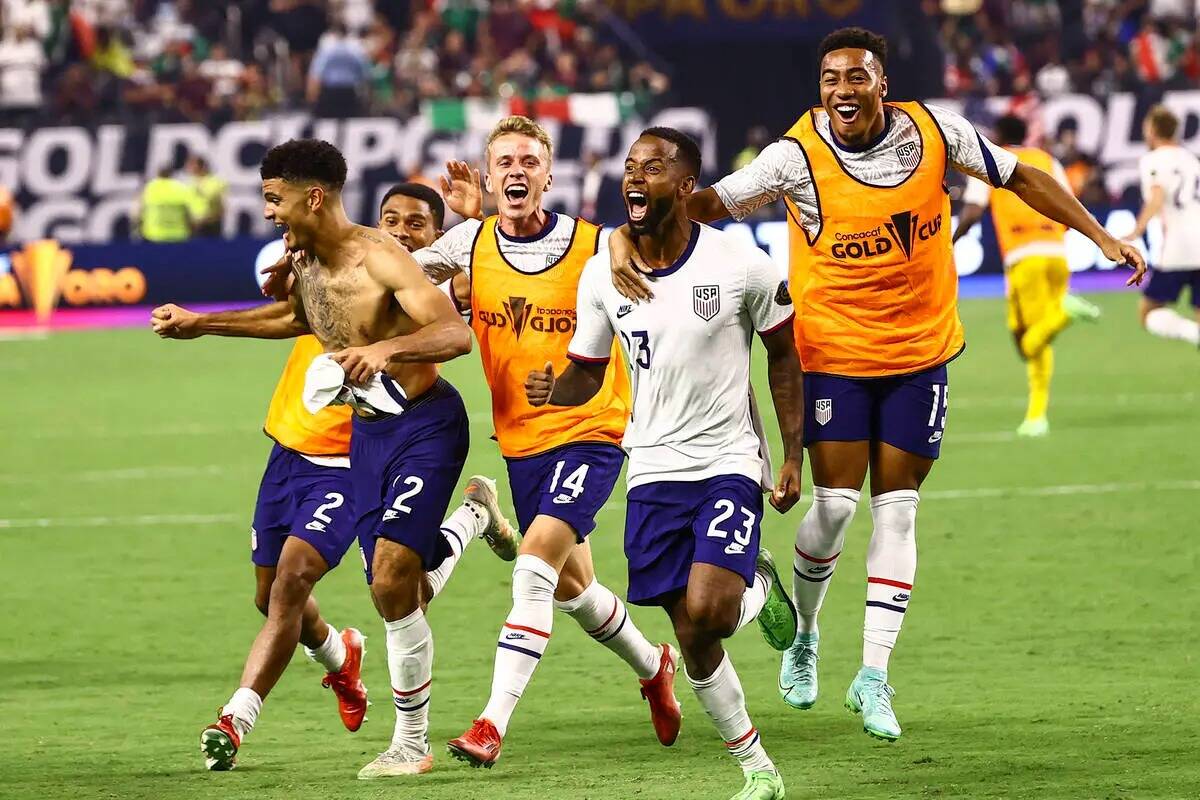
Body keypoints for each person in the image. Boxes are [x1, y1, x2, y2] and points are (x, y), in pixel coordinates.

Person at [608, 27, 1146, 742]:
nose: (842, 89)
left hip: (921, 352)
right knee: (832, 508)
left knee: (897, 511)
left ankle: (874, 676)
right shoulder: (793, 157)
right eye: (830, 78)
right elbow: (702, 205)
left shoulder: (935, 133)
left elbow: (1022, 177)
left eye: (856, 77)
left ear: (881, 84)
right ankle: (803, 636)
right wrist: (622, 236)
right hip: (832, 353)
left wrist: (1099, 236)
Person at [151, 179, 517, 775]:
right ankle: (473, 517)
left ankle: (406, 742)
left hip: (419, 428)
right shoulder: (308, 259)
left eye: (276, 198)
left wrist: (387, 351)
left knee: (381, 580)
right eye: (391, 217)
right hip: (359, 435)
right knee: (393, 591)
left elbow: (455, 333)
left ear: (313, 197)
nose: (268, 211)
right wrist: (201, 325)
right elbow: (296, 318)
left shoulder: (393, 264)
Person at [527, 127, 804, 800]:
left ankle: (753, 587)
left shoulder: (741, 265)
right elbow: (588, 373)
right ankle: (758, 769)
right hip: (650, 467)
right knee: (691, 634)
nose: (633, 178)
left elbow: (785, 355)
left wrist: (794, 455)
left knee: (709, 609)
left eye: (652, 168)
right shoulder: (604, 272)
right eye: (629, 167)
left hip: (728, 460)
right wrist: (553, 389)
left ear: (684, 187)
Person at [406, 116, 681, 768]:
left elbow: (666, 282)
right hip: (523, 445)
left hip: (592, 431)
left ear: (550, 174)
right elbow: (394, 275)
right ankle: (653, 664)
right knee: (573, 589)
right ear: (490, 174)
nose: (517, 171)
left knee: (531, 570)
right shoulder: (469, 244)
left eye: (530, 160)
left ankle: (490, 724)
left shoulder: (594, 243)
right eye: (504, 161)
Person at [952, 114, 1102, 437]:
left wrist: (951, 241)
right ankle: (1061, 313)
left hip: (1024, 258)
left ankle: (1037, 416)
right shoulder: (1046, 160)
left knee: (1031, 342)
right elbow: (1068, 201)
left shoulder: (990, 158)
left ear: (1000, 135)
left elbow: (974, 210)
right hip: (1056, 253)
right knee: (1026, 338)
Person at [1124, 105, 1200, 347]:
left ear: (1153, 130)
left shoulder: (1153, 160)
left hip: (1178, 247)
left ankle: (1193, 333)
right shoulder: (1191, 158)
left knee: (1147, 313)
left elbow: (1157, 197)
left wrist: (1136, 230)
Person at [137, 166, 194, 243]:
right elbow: (190, 213)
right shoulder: (181, 188)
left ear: (158, 175)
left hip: (154, 235)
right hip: (178, 235)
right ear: (171, 175)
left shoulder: (150, 187)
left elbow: (138, 213)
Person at [186, 156, 228, 238]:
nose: (189, 167)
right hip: (192, 227)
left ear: (201, 166)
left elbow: (222, 207)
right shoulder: (189, 184)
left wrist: (207, 220)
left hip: (210, 226)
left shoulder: (216, 182)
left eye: (192, 165)